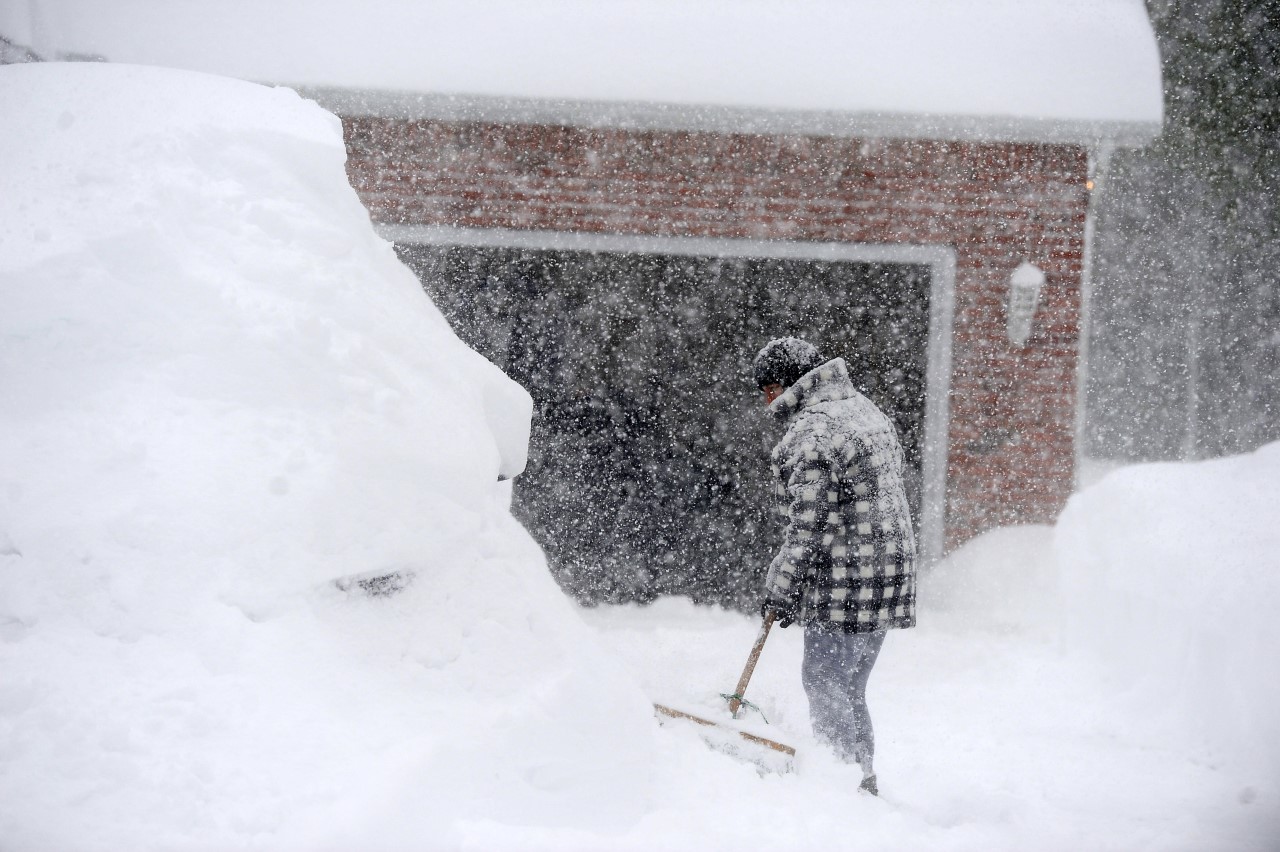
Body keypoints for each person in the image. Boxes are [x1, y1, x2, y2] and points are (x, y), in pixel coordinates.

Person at [753, 337, 917, 796]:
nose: (767, 400)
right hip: (888, 572)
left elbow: (809, 526)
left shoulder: (813, 433)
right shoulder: (864, 410)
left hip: (846, 577)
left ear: (785, 384)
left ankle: (842, 789)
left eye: (767, 388)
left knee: (825, 683)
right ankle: (862, 779)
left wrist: (781, 588)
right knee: (850, 687)